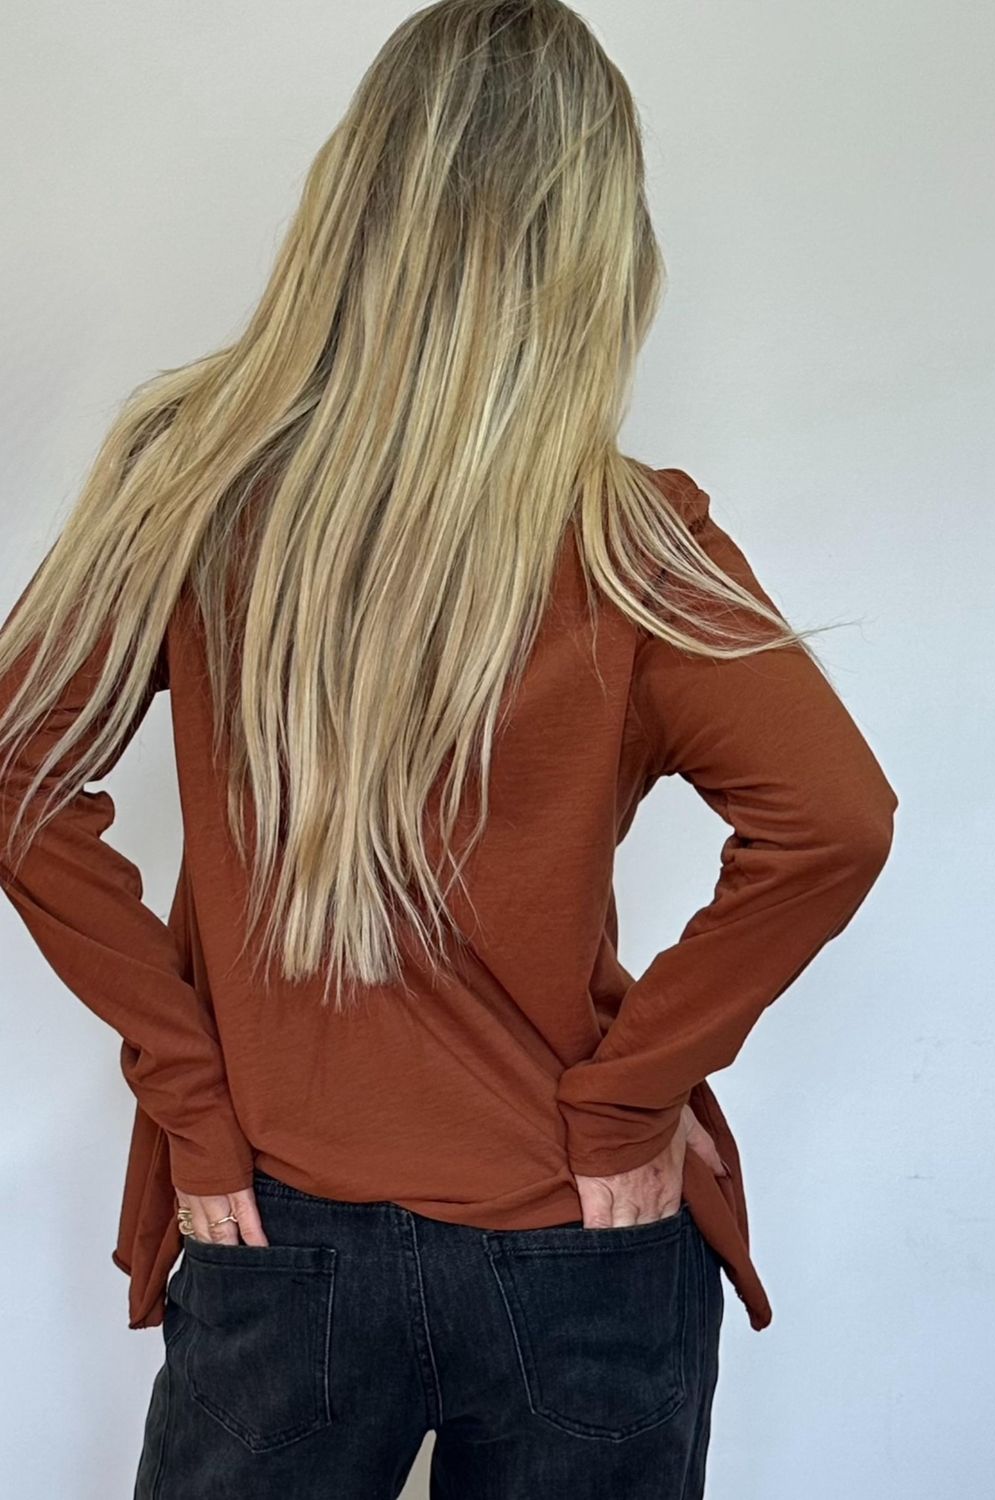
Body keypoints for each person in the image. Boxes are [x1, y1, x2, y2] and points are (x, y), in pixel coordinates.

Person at [0, 2, 897, 1496]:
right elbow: (838, 820)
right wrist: (628, 1098)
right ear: (597, 243)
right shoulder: (630, 539)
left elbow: (14, 768)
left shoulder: (190, 482)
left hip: (279, 1228)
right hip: (578, 1239)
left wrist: (194, 1100)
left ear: (355, 195)